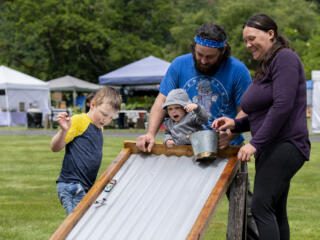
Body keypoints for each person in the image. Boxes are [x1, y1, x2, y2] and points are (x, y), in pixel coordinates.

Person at [136, 23, 259, 239]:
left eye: (210, 57)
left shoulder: (237, 70)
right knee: (181, 209)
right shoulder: (179, 65)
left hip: (228, 148)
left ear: (223, 50)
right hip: (186, 148)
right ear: (194, 47)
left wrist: (229, 132)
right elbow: (161, 101)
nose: (203, 60)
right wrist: (150, 134)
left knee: (245, 210)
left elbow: (247, 111)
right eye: (199, 54)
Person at [212, 14, 310, 240]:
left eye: (252, 38)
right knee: (275, 210)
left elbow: (283, 106)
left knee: (260, 207)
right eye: (245, 40)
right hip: (273, 147)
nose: (248, 45)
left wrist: (255, 143)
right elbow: (261, 114)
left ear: (271, 34)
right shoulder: (267, 65)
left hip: (286, 145)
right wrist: (235, 123)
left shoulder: (285, 58)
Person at [50, 86, 122, 215]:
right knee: (77, 225)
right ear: (93, 105)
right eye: (104, 114)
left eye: (111, 117)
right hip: (72, 185)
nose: (106, 120)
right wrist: (64, 131)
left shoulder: (99, 127)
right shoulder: (79, 121)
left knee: (83, 224)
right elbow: (55, 147)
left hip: (86, 187)